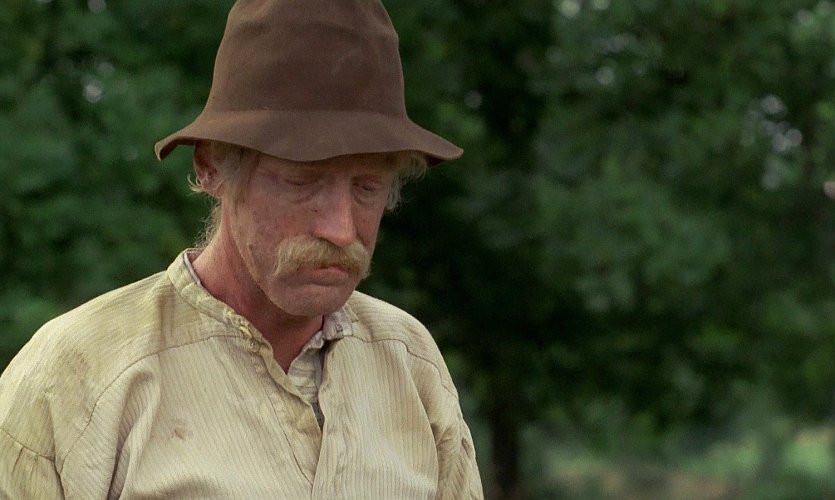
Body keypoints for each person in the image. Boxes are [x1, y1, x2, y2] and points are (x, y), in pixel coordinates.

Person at [0, 0, 483, 497]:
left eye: (367, 187)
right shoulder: (76, 377)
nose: (341, 230)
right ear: (212, 166)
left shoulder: (410, 364)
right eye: (301, 181)